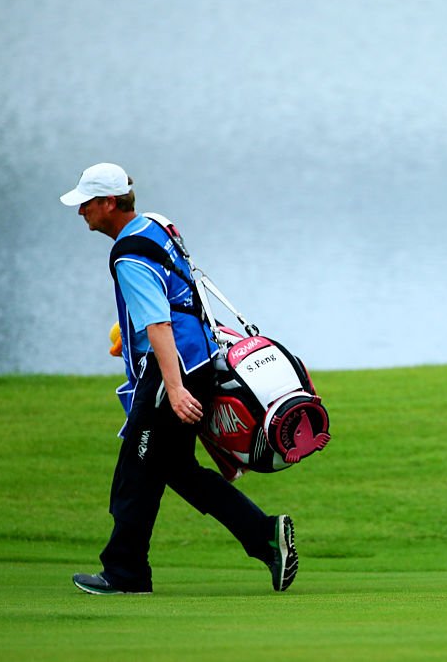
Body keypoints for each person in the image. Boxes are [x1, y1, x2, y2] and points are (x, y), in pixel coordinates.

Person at [60, 162, 297, 595]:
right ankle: (264, 537)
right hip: (199, 359)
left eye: (87, 204)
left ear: (110, 203)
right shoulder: (157, 224)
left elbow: (159, 323)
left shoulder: (128, 253)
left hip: (175, 371)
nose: (81, 213)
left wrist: (172, 387)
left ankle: (125, 574)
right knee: (176, 469)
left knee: (136, 470)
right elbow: (177, 296)